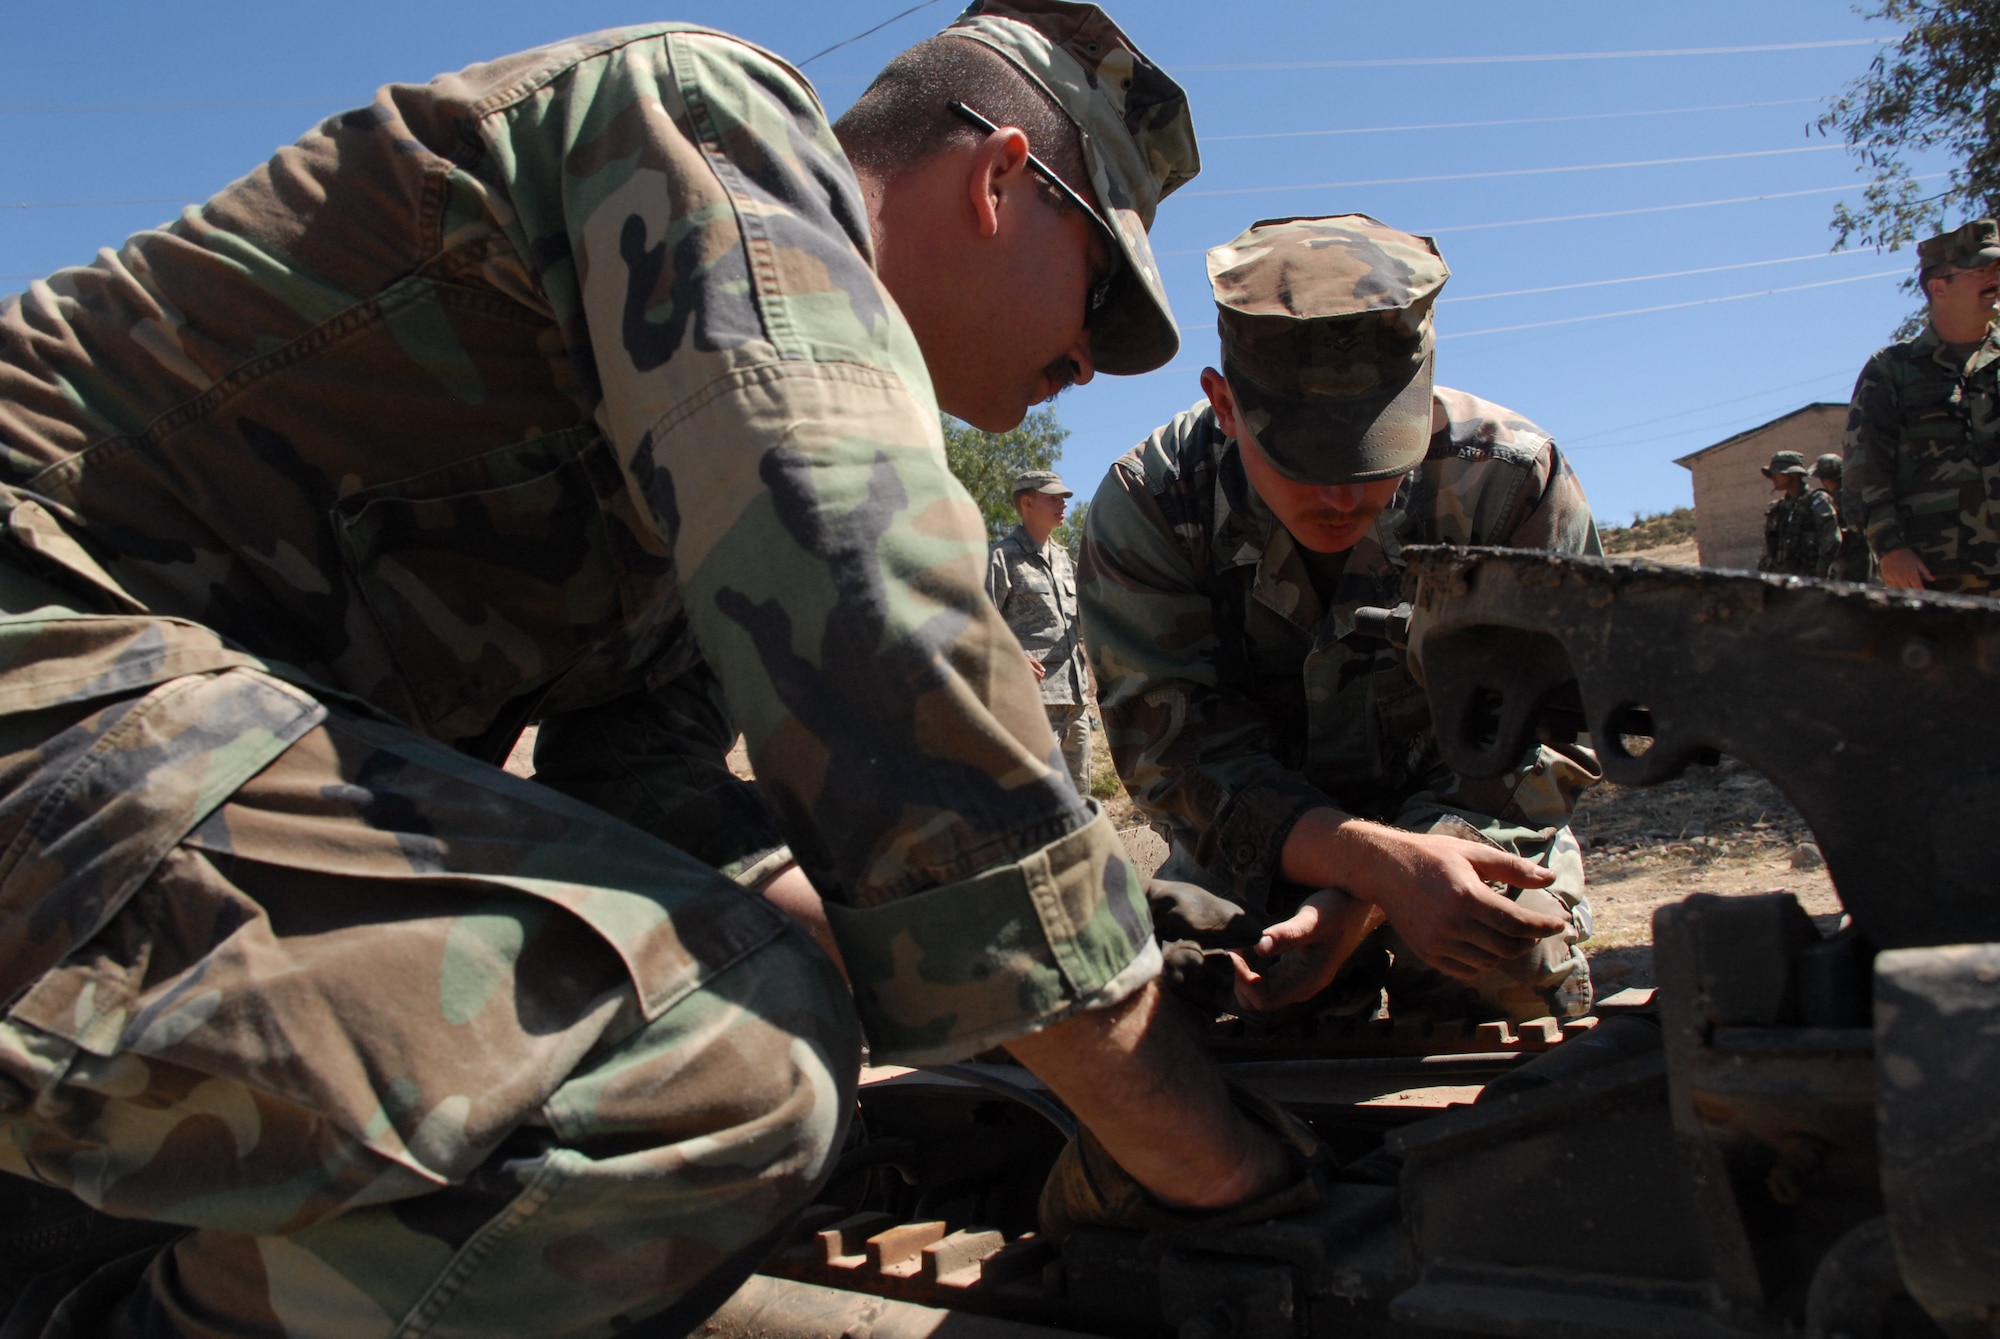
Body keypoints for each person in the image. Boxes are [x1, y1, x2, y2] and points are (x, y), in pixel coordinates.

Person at [0, 7, 1308, 1334]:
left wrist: (1103, 956)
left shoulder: (689, 464)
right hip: (44, 654)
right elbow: (879, 624)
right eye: (1096, 298)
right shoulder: (705, 118)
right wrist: (1207, 1155)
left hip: (108, 766)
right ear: (996, 177)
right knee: (726, 1056)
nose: (1086, 363)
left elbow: (649, 804)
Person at [1079, 215, 1600, 1028]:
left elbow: (1543, 736)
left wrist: (1376, 892)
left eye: (1373, 454)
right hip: (1257, 852)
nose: (1339, 495)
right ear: (1223, 405)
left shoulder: (1509, 485)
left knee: (1508, 964)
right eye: (1300, 457)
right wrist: (1371, 866)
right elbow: (1176, 755)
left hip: (1465, 830)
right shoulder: (1152, 505)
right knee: (1203, 1011)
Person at [1844, 217, 2000, 594]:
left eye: (1998, 268)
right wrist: (1889, 548)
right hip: (1940, 576)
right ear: (1938, 286)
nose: (1994, 278)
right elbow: (1866, 471)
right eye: (1980, 270)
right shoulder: (1892, 370)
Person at [987, 469, 1092, 794]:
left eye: (1064, 498)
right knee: (1039, 798)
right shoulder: (1003, 558)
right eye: (1053, 498)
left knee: (1080, 800)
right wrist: (1012, 659)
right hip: (1033, 702)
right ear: (1027, 502)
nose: (1062, 505)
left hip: (1076, 700)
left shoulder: (1063, 560)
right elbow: (979, 621)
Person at [1758, 450, 1827, 577]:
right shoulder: (1778, 508)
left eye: (1777, 473)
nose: (1773, 478)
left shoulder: (1816, 500)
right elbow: (1769, 548)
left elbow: (1831, 539)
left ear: (1793, 474)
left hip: (1809, 577)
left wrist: (1821, 571)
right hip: (1780, 578)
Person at [1811, 453, 1873, 582]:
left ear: (1824, 479)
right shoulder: (1850, 493)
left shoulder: (1840, 497)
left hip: (1851, 555)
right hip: (1854, 554)